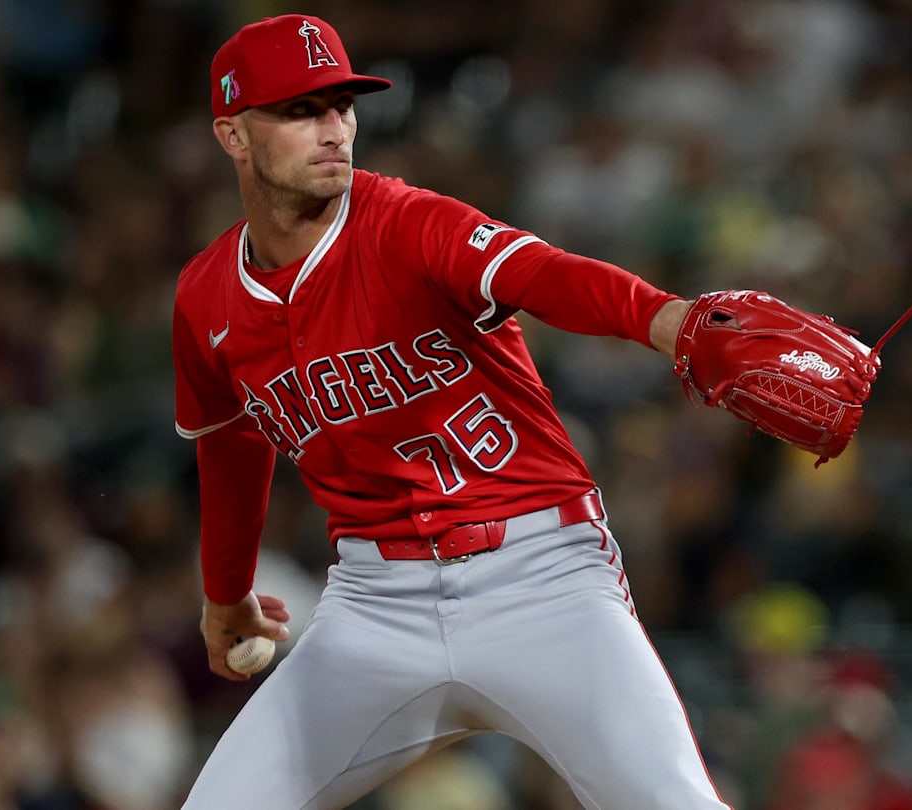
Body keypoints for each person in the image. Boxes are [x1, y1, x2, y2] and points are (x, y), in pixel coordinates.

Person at [172, 14, 729, 809]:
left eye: (340, 106)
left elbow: (545, 275)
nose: (333, 130)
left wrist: (670, 320)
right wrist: (226, 596)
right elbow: (231, 445)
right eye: (300, 111)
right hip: (373, 608)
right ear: (233, 134)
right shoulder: (205, 297)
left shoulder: (405, 221)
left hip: (540, 577)